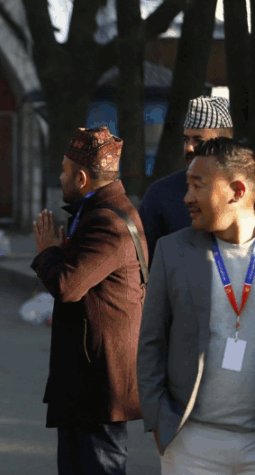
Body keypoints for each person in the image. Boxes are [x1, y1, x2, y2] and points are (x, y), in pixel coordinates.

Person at [32, 127, 147, 475]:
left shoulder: (108, 221)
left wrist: (48, 251)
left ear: (81, 178)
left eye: (64, 171)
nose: (60, 177)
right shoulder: (97, 211)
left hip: (98, 385)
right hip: (85, 382)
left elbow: (67, 285)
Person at [138, 138, 255, 473]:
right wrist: (158, 420)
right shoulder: (173, 251)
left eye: (198, 186)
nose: (186, 198)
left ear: (236, 191)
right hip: (191, 445)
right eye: (187, 185)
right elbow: (151, 342)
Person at [139, 96, 234, 263]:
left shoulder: (246, 189)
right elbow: (143, 260)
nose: (189, 148)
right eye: (186, 140)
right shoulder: (161, 194)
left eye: (198, 140)